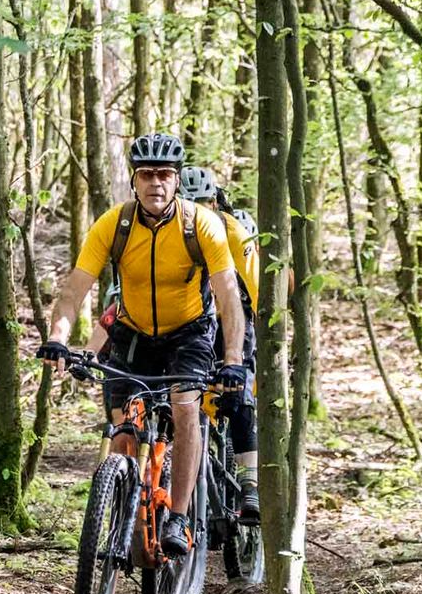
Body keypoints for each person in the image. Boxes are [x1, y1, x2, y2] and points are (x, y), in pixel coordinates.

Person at [38, 133, 249, 557]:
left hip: (188, 333)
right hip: (133, 333)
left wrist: (233, 360)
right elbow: (75, 288)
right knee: (124, 430)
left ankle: (179, 517)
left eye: (165, 175)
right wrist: (58, 337)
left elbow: (228, 296)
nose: (156, 183)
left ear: (176, 181)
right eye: (147, 175)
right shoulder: (113, 225)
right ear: (134, 181)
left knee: (186, 405)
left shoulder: (201, 225)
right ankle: (125, 511)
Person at [179, 165, 261, 523]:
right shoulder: (171, 228)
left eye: (205, 202)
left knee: (239, 396)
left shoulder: (232, 231)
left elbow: (256, 292)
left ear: (216, 201)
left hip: (235, 317)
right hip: (192, 321)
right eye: (190, 202)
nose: (198, 209)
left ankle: (249, 484)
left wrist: (256, 350)